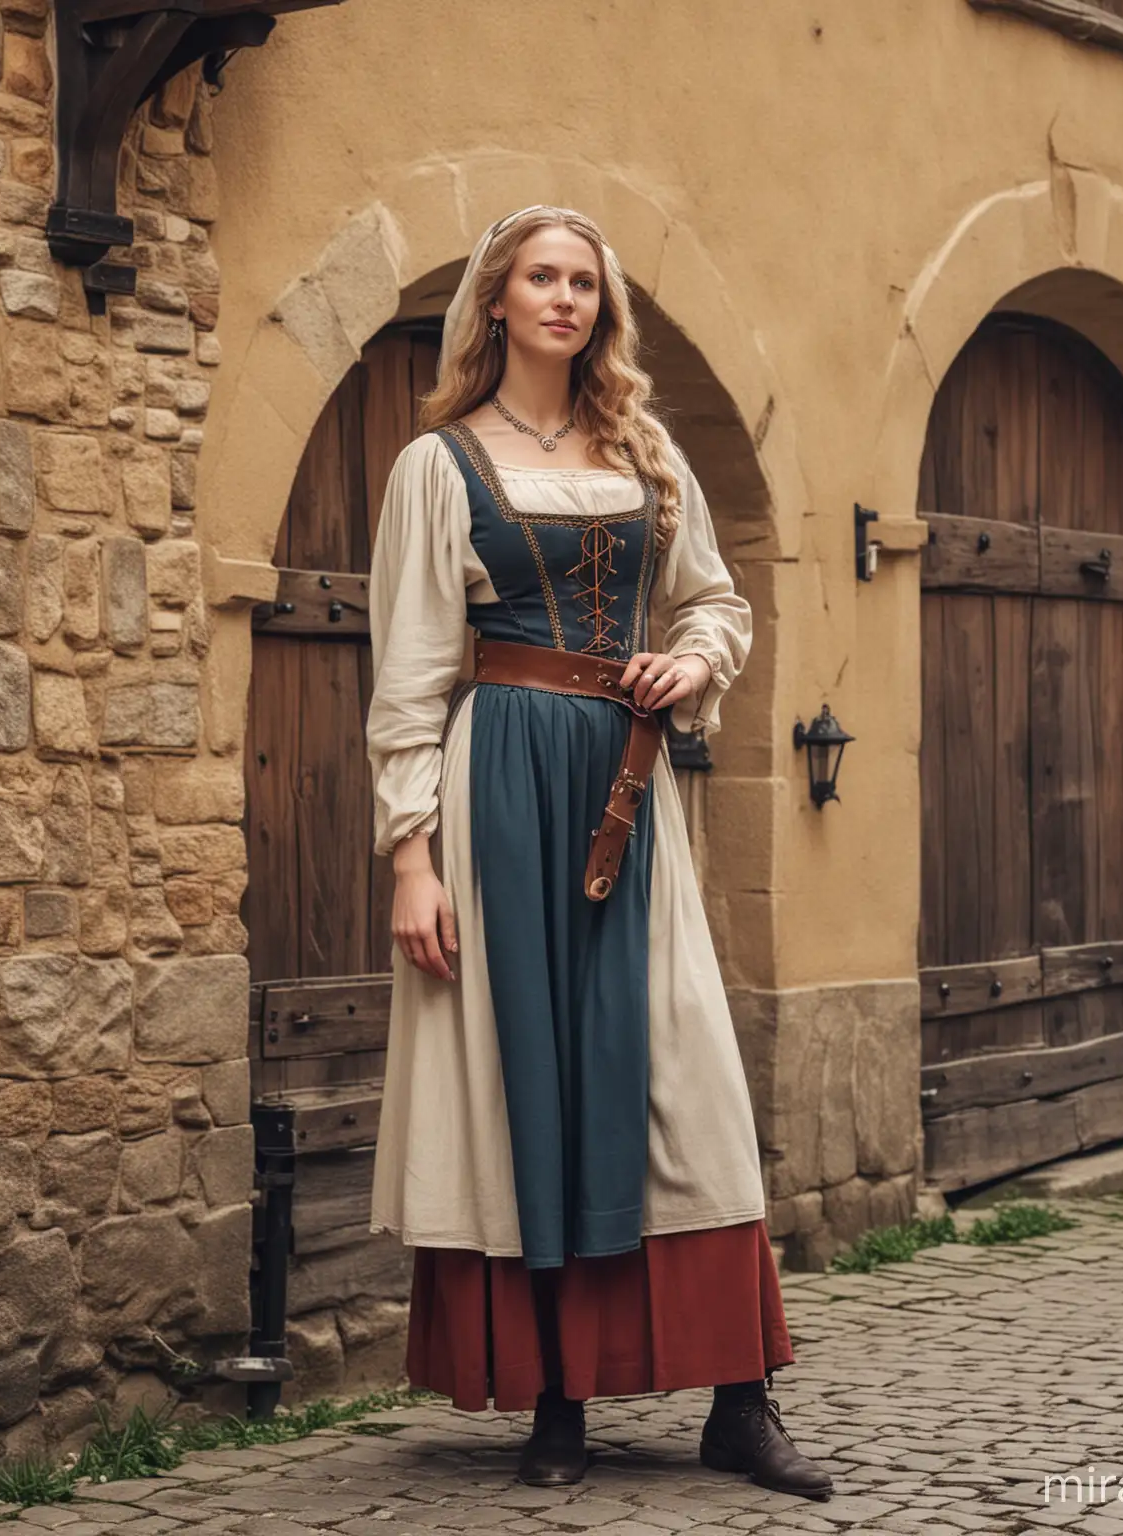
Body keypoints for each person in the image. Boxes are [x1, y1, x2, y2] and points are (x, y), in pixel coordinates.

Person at [363, 205, 832, 1502]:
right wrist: (412, 856)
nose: (564, 299)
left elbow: (717, 599)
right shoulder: (437, 466)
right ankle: (557, 1405)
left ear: (599, 309)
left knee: (685, 1073)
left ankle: (742, 1399)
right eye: (541, 278)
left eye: (584, 282)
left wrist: (692, 659)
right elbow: (407, 675)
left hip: (627, 786)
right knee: (532, 1079)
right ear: (498, 304)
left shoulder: (649, 452)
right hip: (500, 780)